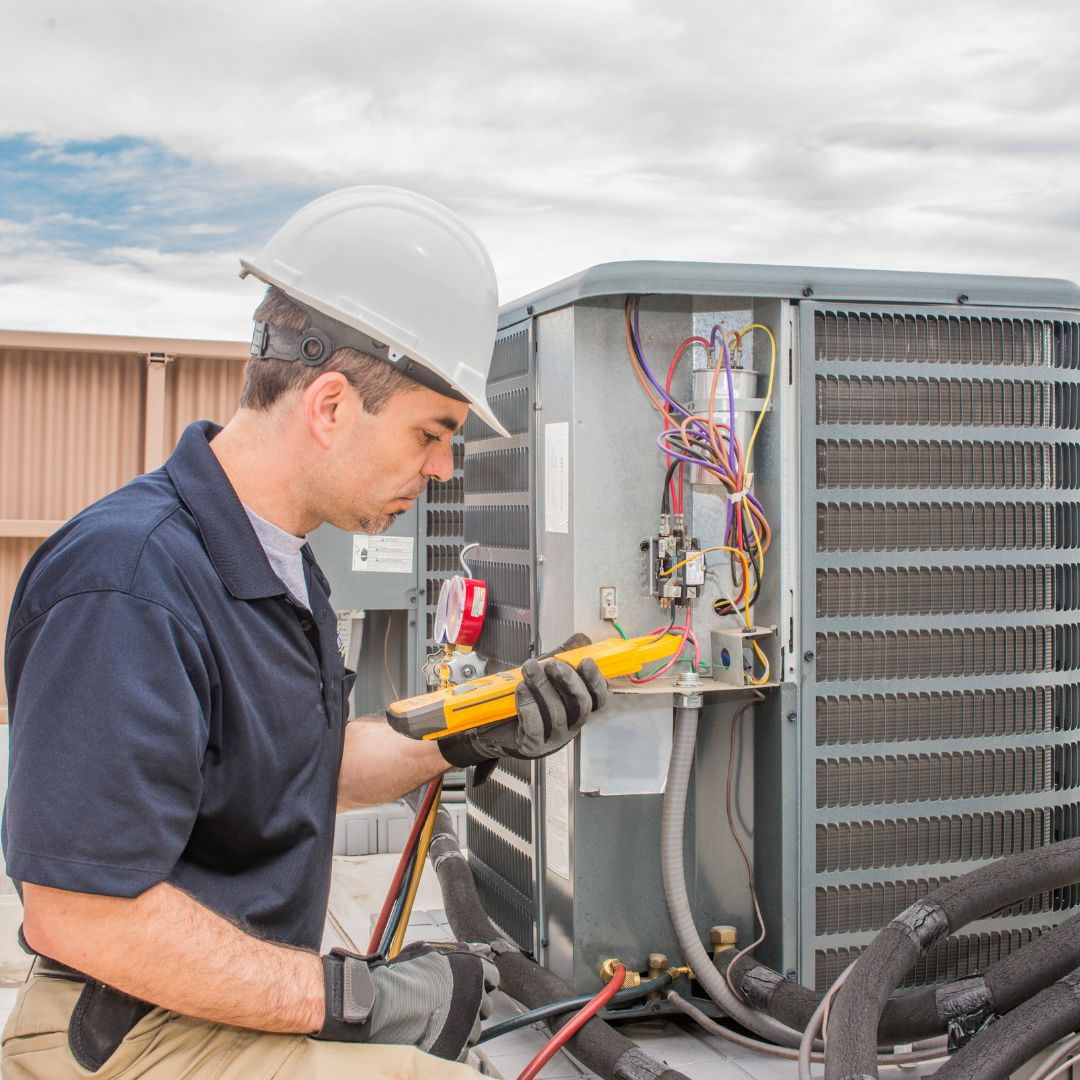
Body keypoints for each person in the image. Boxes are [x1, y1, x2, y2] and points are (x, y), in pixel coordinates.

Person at [1, 187, 608, 1078]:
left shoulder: (274, 563)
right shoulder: (129, 584)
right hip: (126, 1033)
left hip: (206, 1007)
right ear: (329, 405)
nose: (443, 468)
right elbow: (81, 913)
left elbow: (305, 772)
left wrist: (480, 726)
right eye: (431, 432)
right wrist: (351, 999)